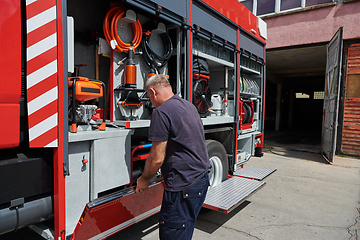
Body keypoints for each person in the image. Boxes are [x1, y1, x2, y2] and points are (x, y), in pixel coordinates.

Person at [135, 74, 210, 240]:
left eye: (149, 97)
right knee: (185, 230)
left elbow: (156, 158)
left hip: (183, 186)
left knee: (173, 235)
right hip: (200, 180)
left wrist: (145, 178)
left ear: (153, 92)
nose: (151, 102)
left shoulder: (161, 113)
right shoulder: (189, 105)